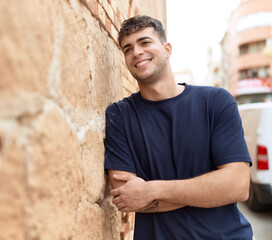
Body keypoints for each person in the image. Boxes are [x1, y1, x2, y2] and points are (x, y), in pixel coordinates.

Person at [104, 15, 253, 239]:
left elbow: (237, 186)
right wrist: (209, 188)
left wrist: (151, 190)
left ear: (167, 49)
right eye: (127, 48)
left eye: (145, 42)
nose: (136, 52)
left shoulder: (216, 101)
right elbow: (127, 197)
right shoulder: (119, 115)